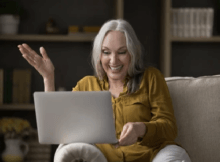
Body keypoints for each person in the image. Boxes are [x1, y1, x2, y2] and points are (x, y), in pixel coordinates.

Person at [18, 19, 191, 162]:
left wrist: (141, 129)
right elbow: (58, 129)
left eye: (122, 52)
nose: (113, 60)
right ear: (99, 56)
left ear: (132, 53)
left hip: (153, 156)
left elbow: (169, 128)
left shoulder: (151, 78)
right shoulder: (86, 85)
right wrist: (48, 78)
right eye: (106, 52)